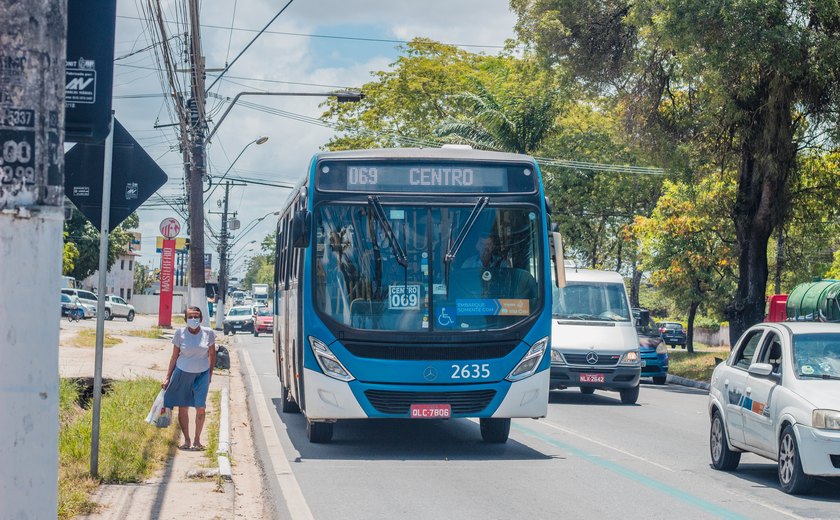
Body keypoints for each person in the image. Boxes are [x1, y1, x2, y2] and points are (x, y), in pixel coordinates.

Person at [162, 306, 216, 450]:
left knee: (200, 407)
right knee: (183, 407)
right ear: (186, 319)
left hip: (202, 374)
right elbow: (174, 356)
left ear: (201, 318)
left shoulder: (208, 333)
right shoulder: (180, 334)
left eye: (196, 316)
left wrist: (210, 374)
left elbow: (212, 355)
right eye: (190, 317)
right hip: (182, 373)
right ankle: (187, 440)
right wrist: (167, 377)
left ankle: (197, 440)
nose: (193, 319)